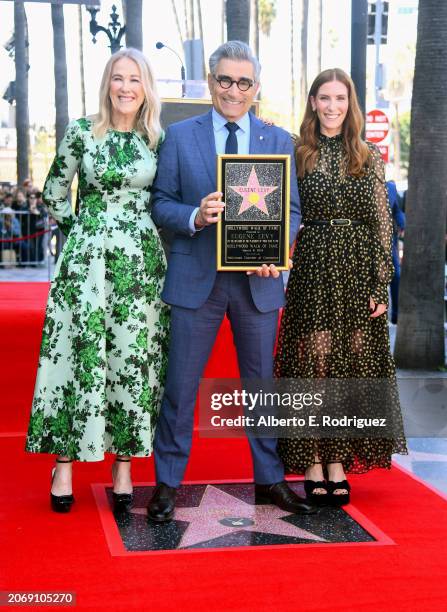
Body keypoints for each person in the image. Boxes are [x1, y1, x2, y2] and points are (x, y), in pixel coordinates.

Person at [147, 41, 315, 523]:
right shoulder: (179, 137)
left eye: (244, 82)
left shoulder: (276, 140)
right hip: (195, 278)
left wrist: (276, 251)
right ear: (210, 81)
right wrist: (196, 215)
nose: (234, 90)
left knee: (261, 387)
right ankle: (167, 481)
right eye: (225, 80)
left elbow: (293, 211)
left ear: (256, 88)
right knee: (180, 386)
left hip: (256, 284)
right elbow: (160, 204)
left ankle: (270, 479)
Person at [25, 48, 169, 513]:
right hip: (86, 264)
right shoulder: (83, 132)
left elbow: (165, 199)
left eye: (135, 79)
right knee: (77, 354)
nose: (126, 87)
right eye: (118, 78)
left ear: (146, 87)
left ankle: (123, 464)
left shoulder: (157, 138)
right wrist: (81, 233)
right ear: (107, 84)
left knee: (132, 356)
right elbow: (53, 191)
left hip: (141, 268)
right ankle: (64, 463)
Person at [274, 68, 407, 506]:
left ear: (350, 105)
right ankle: (312, 459)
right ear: (312, 102)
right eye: (324, 98)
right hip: (313, 265)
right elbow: (281, 212)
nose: (332, 106)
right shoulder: (297, 154)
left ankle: (337, 461)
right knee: (314, 363)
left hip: (356, 269)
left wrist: (379, 284)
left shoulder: (367, 157)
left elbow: (381, 227)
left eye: (340, 99)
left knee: (349, 370)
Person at [386, 180, 405, 324]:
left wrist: (403, 224)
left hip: (389, 238)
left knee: (396, 275)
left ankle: (396, 314)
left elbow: (397, 209)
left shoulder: (391, 187)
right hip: (367, 238)